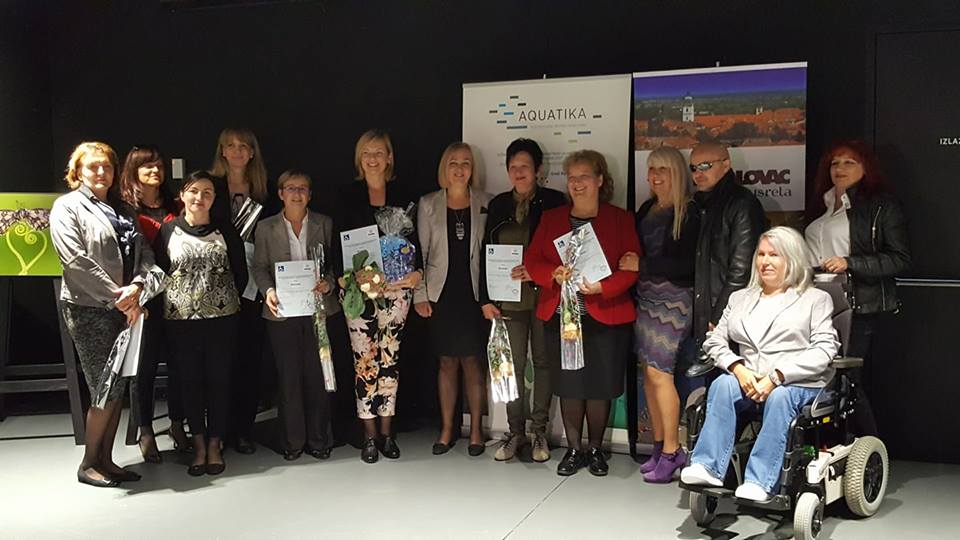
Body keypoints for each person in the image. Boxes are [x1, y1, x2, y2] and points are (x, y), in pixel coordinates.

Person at [681, 226, 839, 502]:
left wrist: (777, 376)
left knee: (779, 397)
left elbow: (825, 349)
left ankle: (759, 481)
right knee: (722, 385)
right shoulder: (740, 298)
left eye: (774, 255)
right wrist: (737, 368)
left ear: (792, 259)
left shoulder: (816, 299)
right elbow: (714, 340)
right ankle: (707, 467)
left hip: (796, 382)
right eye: (761, 254)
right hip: (750, 378)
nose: (765, 261)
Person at [50, 141, 163, 487]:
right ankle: (88, 463)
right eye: (93, 166)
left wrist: (138, 287)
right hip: (90, 308)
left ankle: (106, 460)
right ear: (77, 171)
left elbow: (144, 253)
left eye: (107, 166)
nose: (101, 172)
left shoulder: (123, 209)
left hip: (127, 306)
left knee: (118, 384)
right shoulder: (67, 207)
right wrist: (120, 298)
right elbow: (75, 261)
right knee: (103, 386)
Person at [525, 150, 640, 477]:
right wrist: (552, 274)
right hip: (562, 318)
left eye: (584, 176)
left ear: (600, 180)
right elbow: (532, 261)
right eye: (571, 177)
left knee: (600, 386)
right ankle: (574, 450)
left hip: (606, 314)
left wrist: (603, 288)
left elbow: (631, 268)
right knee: (570, 385)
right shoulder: (551, 219)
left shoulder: (620, 219)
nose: (577, 183)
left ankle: (596, 449)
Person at [804, 140, 910, 436]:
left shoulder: (881, 205)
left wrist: (850, 262)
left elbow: (899, 258)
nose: (840, 168)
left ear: (866, 168)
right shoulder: (822, 203)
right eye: (835, 163)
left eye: (849, 162)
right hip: (811, 301)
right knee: (815, 376)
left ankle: (868, 447)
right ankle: (827, 445)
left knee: (845, 378)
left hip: (855, 303)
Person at [335, 129, 422, 464]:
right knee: (365, 361)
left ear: (389, 157)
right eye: (366, 152)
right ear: (360, 158)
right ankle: (368, 434)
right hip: (359, 293)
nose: (372, 158)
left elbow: (417, 242)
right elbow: (337, 244)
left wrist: (417, 272)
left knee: (390, 360)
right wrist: (348, 276)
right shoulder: (347, 195)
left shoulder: (405, 195)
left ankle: (387, 432)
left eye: (379, 152)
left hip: (397, 292)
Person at [479, 138, 566, 463]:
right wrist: (485, 297)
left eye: (525, 167)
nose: (519, 172)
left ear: (538, 170)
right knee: (511, 366)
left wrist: (538, 272)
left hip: (545, 296)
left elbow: (562, 250)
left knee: (543, 363)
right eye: (513, 167)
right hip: (507, 301)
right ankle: (515, 432)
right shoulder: (499, 204)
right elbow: (486, 252)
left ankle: (539, 431)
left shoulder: (555, 202)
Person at [155, 171, 248, 476]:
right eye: (194, 191)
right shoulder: (168, 231)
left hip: (222, 321)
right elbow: (159, 272)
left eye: (207, 192)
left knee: (220, 381)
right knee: (190, 383)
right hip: (181, 323)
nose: (200, 197)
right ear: (182, 195)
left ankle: (215, 445)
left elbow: (240, 273)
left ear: (214, 198)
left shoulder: (225, 231)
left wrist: (219, 298)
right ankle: (198, 446)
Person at [617, 146, 700, 483]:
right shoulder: (646, 209)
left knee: (660, 374)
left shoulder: (690, 212)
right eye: (651, 169)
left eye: (662, 169)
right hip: (646, 297)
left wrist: (642, 265)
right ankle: (659, 445)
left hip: (675, 301)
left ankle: (672, 450)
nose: (654, 176)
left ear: (676, 172)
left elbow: (688, 265)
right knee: (650, 375)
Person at [252, 170, 338, 461]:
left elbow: (334, 265)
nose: (297, 194)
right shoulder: (266, 227)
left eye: (303, 189)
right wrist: (268, 291)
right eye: (291, 188)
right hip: (282, 312)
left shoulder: (325, 223)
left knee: (318, 376)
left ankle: (319, 440)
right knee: (289, 377)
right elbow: (259, 267)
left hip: (318, 310)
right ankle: (293, 441)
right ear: (281, 193)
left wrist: (328, 283)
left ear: (310, 195)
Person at [414, 142, 493, 457]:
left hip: (474, 293)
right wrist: (420, 295)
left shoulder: (487, 202)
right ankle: (447, 429)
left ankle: (476, 430)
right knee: (446, 362)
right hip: (440, 294)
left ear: (473, 169)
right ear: (444, 168)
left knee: (473, 362)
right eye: (453, 163)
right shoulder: (428, 203)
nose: (460, 169)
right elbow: (419, 252)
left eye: (466, 163)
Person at [118, 144, 191, 463]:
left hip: (179, 296)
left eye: (159, 165)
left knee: (179, 365)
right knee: (143, 367)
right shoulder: (124, 209)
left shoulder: (176, 204)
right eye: (147, 165)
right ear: (133, 171)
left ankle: (177, 424)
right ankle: (145, 431)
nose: (155, 170)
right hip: (145, 297)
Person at [210, 127, 269, 455]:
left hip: (252, 284)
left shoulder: (264, 191)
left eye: (243, 146)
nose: (236, 151)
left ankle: (244, 430)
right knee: (220, 360)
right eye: (230, 146)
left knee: (249, 358)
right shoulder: (210, 187)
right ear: (222, 151)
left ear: (252, 152)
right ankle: (217, 432)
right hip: (216, 283)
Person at [687, 142, 767, 375]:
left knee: (733, 382)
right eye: (693, 168)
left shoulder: (742, 203)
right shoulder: (701, 204)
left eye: (705, 166)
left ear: (726, 164)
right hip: (709, 314)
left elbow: (742, 270)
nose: (698, 173)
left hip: (731, 317)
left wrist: (719, 315)